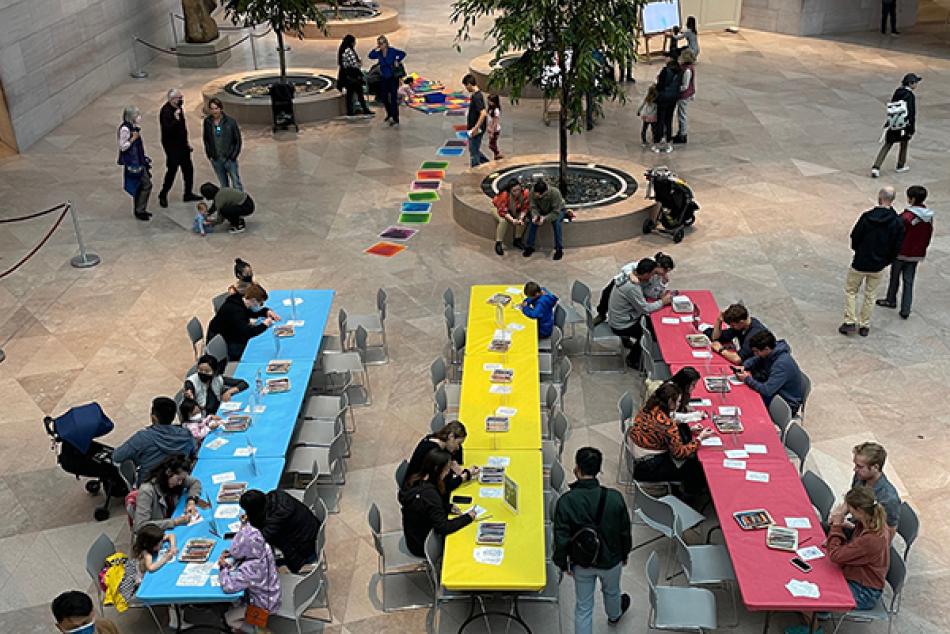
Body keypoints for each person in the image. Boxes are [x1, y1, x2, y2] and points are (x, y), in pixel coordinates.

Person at [552, 447, 632, 633]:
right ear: (599, 470)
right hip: (612, 560)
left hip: (582, 563)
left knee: (583, 607)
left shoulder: (566, 501)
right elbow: (624, 531)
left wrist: (563, 564)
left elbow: (561, 537)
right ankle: (614, 615)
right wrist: (625, 553)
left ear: (577, 469)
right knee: (612, 591)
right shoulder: (614, 498)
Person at [839, 187, 904, 337]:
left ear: (879, 198)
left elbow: (855, 236)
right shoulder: (897, 222)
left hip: (860, 261)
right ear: (892, 200)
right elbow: (897, 246)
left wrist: (858, 251)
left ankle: (849, 321)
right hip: (878, 265)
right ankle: (864, 324)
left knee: (851, 291)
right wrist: (886, 261)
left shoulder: (867, 217)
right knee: (871, 294)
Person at [627, 383, 711, 495]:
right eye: (678, 401)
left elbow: (659, 430)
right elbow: (679, 453)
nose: (679, 404)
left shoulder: (649, 407)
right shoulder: (667, 425)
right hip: (649, 466)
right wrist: (700, 438)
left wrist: (690, 431)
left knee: (684, 434)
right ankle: (689, 495)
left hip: (638, 453)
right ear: (670, 402)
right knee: (694, 467)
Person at [398, 448, 476, 557]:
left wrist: (447, 507)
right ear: (437, 469)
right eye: (447, 469)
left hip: (413, 536)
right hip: (422, 545)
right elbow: (444, 527)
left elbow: (425, 507)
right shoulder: (430, 495)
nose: (448, 472)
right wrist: (468, 517)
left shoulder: (416, 479)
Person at [827, 487, 891, 610]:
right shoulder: (872, 522)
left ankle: (815, 624)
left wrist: (836, 526)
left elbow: (835, 556)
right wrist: (844, 526)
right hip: (856, 576)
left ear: (860, 511)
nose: (848, 512)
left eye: (850, 509)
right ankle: (820, 614)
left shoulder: (871, 539)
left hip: (863, 592)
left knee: (819, 589)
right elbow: (858, 540)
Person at [876, 185, 933, 319]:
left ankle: (891, 300)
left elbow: (895, 233)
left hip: (901, 253)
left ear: (911, 199)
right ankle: (906, 309)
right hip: (916, 255)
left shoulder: (906, 217)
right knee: (909, 280)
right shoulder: (928, 217)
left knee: (895, 278)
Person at [113, 397, 195, 485]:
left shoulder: (142, 437)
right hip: (178, 484)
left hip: (150, 489)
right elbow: (193, 452)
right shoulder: (186, 435)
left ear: (153, 417)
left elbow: (117, 456)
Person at [218, 519, 282, 631]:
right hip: (272, 593)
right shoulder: (265, 547)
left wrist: (223, 568)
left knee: (229, 618)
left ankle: (258, 631)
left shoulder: (250, 569)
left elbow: (228, 586)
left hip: (263, 607)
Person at [607, 258, 673, 366]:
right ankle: (633, 359)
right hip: (622, 324)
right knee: (650, 333)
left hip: (621, 316)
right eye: (652, 274)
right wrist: (662, 302)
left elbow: (647, 293)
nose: (652, 277)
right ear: (646, 273)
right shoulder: (632, 287)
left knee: (651, 323)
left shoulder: (630, 278)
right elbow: (645, 309)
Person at [240, 488, 320, 574]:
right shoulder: (277, 495)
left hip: (306, 551)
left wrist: (244, 527)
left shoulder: (275, 521)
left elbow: (258, 539)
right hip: (313, 534)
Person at [735, 330, 805, 415]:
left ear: (766, 349)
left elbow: (767, 390)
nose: (755, 354)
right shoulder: (772, 351)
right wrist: (745, 366)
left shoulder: (781, 365)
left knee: (746, 406)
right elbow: (757, 359)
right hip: (774, 391)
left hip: (785, 403)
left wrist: (747, 379)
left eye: (756, 351)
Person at [131, 454, 202, 536]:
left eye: (182, 480)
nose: (180, 483)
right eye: (178, 479)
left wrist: (191, 501)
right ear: (168, 472)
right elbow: (140, 526)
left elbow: (195, 482)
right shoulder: (147, 491)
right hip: (155, 536)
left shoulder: (177, 478)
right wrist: (174, 522)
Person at [595, 252, 675, 323]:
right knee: (607, 294)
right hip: (625, 282)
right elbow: (628, 267)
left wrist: (662, 284)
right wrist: (631, 274)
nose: (665, 274)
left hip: (636, 290)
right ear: (659, 266)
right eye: (665, 271)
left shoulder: (658, 275)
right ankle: (601, 314)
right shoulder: (648, 264)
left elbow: (651, 292)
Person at [406, 420, 477, 495]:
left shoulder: (437, 439)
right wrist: (464, 476)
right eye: (458, 443)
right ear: (451, 436)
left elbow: (458, 457)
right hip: (418, 493)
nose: (458, 448)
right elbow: (441, 486)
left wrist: (454, 463)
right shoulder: (433, 453)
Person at [206, 282, 275, 360]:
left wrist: (266, 312)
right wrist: (264, 325)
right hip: (224, 340)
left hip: (230, 332)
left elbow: (250, 313)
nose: (261, 305)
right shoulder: (236, 311)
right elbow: (248, 332)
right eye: (260, 303)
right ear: (253, 300)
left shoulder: (241, 300)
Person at [158, 88, 201, 208]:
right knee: (172, 172)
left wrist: (186, 143)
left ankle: (188, 193)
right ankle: (163, 194)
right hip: (172, 148)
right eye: (179, 98)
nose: (181, 99)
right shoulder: (165, 111)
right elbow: (167, 129)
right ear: (172, 99)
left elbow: (182, 128)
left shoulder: (178, 109)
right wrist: (176, 119)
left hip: (182, 146)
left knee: (188, 171)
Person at [871, 73, 920, 177]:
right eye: (915, 82)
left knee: (887, 145)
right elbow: (911, 113)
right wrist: (912, 128)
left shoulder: (898, 92)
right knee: (904, 144)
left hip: (893, 123)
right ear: (911, 83)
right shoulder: (910, 96)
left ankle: (876, 167)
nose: (916, 85)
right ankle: (900, 165)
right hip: (904, 125)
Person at [851, 442, 901, 538]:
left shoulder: (889, 498)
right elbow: (851, 499)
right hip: (856, 525)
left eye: (860, 466)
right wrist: (840, 515)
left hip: (870, 538)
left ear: (875, 467)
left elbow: (890, 530)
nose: (855, 469)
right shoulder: (860, 476)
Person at [117, 105, 152, 221]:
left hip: (139, 160)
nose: (139, 117)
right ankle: (139, 210)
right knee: (146, 184)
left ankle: (140, 208)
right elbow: (122, 146)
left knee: (141, 185)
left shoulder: (133, 127)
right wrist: (133, 139)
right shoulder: (125, 129)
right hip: (133, 163)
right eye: (137, 115)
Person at [183, 353, 248, 415]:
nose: (203, 373)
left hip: (219, 409)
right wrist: (189, 393)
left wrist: (229, 392)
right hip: (203, 416)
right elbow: (189, 388)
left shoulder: (217, 378)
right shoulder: (191, 381)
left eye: (207, 371)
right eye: (200, 370)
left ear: (214, 372)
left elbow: (243, 383)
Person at [202, 97, 243, 190]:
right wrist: (210, 155)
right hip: (216, 159)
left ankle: (241, 203)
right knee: (224, 185)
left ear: (220, 109)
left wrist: (233, 156)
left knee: (236, 183)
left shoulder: (230, 122)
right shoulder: (207, 122)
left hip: (229, 159)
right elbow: (206, 139)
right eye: (212, 109)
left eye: (216, 108)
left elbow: (238, 140)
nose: (214, 111)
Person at [522, 180, 569, 261]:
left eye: (540, 195)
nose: (538, 196)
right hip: (541, 210)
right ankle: (530, 246)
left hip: (557, 211)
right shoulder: (533, 192)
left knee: (557, 223)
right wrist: (535, 216)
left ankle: (559, 249)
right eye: (536, 194)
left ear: (545, 192)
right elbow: (533, 207)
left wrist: (545, 218)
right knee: (533, 223)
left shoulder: (555, 193)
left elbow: (556, 212)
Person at [368, 35, 406, 127]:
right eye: (379, 44)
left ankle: (395, 118)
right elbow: (370, 55)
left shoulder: (392, 51)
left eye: (382, 43)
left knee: (393, 98)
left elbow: (403, 53)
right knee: (384, 97)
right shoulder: (379, 53)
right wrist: (375, 49)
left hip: (393, 78)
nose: (380, 45)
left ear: (386, 43)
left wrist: (397, 60)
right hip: (384, 78)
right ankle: (389, 113)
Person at [52, 590, 120, 634]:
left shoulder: (106, 626)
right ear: (60, 627)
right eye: (74, 628)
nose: (83, 631)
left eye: (85, 623)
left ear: (92, 613)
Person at [337, 34, 373, 117]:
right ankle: (364, 109)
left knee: (350, 94)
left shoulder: (343, 50)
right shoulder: (349, 51)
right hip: (353, 76)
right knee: (359, 93)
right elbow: (355, 65)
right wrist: (359, 63)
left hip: (346, 76)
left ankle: (351, 111)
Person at [492, 180, 529, 255]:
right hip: (498, 208)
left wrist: (521, 218)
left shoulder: (525, 193)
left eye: (519, 189)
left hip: (513, 210)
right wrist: (512, 220)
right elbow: (503, 211)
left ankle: (517, 240)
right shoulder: (504, 195)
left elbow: (525, 208)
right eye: (514, 191)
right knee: (503, 221)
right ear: (510, 190)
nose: (517, 192)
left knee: (524, 220)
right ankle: (498, 243)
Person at [653, 59, 681, 153]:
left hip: (663, 97)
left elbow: (660, 85)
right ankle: (668, 141)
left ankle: (658, 142)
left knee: (660, 120)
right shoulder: (680, 72)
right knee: (669, 120)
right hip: (673, 98)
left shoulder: (665, 71)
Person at [462, 74, 490, 167]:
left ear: (470, 84)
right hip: (475, 128)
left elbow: (483, 113)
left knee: (473, 152)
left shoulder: (477, 97)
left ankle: (475, 171)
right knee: (474, 149)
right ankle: (488, 164)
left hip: (476, 129)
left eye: (466, 86)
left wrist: (475, 128)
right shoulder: (476, 95)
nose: (466, 88)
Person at [672, 49, 696, 144]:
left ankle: (683, 134)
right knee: (681, 114)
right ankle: (681, 132)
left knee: (682, 115)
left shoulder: (687, 71)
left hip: (683, 96)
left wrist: (675, 88)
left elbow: (685, 86)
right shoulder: (686, 68)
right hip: (684, 94)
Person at [486, 93, 504, 160]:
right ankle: (496, 157)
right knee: (493, 144)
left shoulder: (496, 110)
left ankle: (498, 154)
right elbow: (489, 120)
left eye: (490, 101)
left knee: (491, 145)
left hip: (495, 130)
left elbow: (495, 122)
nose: (488, 102)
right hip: (491, 129)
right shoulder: (490, 109)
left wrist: (492, 132)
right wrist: (488, 127)